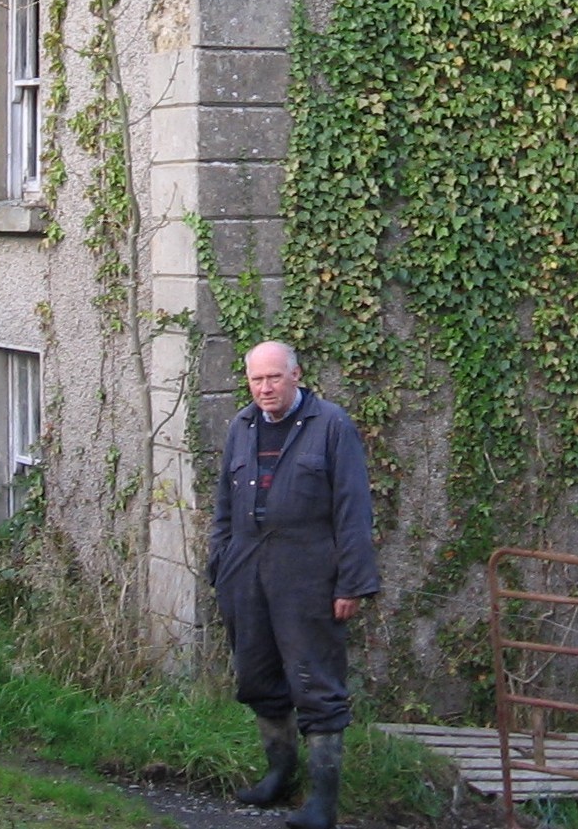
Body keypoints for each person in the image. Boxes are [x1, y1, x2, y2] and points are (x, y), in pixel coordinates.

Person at [206, 340, 380, 829]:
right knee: (257, 676)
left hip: (308, 574)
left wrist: (351, 584)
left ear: (296, 375)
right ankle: (278, 774)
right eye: (257, 380)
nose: (265, 388)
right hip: (245, 570)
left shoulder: (331, 426)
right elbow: (223, 503)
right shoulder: (241, 426)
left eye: (274, 378)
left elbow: (353, 508)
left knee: (315, 681)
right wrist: (220, 562)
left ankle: (323, 802)